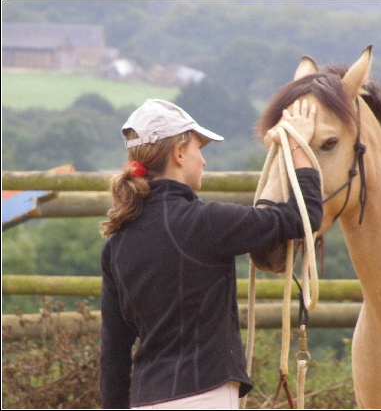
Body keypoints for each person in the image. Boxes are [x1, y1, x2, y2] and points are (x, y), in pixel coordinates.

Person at [99, 98, 321, 409]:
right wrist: (298, 144)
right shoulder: (204, 223)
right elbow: (304, 217)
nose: (202, 161)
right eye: (198, 149)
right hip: (204, 398)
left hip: (143, 400)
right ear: (178, 153)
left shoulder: (115, 244)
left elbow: (113, 357)